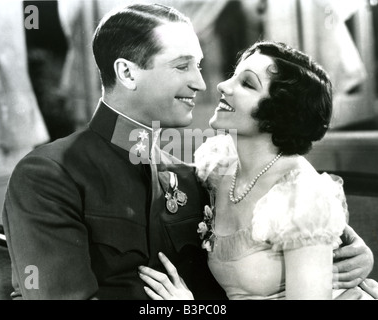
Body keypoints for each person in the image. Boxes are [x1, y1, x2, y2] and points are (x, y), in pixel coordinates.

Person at [2, 4, 372, 300]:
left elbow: (287, 222)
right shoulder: (49, 174)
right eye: (182, 66)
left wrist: (353, 250)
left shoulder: (194, 176)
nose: (201, 82)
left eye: (197, 64)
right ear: (128, 74)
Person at [137, 40, 377, 300]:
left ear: (278, 113)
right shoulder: (219, 165)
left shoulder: (302, 197)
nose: (222, 86)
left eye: (247, 84)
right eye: (234, 76)